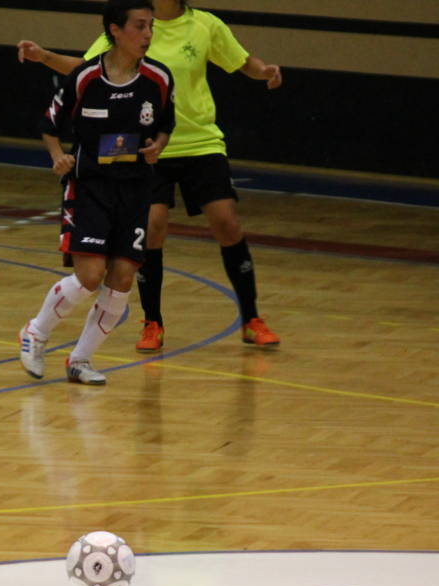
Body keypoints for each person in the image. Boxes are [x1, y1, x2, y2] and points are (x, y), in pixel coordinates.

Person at [18, 0, 282, 352]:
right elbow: (87, 66)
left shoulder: (204, 25)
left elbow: (242, 60)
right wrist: (44, 57)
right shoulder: (132, 24)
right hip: (146, 149)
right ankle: (152, 321)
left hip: (200, 142)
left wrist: (264, 71)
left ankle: (251, 319)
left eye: (148, 28)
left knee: (226, 221)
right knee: (152, 228)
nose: (146, 32)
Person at [18, 0, 174, 385]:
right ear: (115, 30)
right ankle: (35, 332)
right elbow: (49, 124)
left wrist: (158, 145)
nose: (148, 34)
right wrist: (57, 156)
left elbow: (166, 124)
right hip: (90, 187)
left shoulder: (159, 78)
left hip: (136, 189)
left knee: (122, 279)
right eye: (140, 26)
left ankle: (80, 360)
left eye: (151, 26)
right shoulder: (86, 77)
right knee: (89, 276)